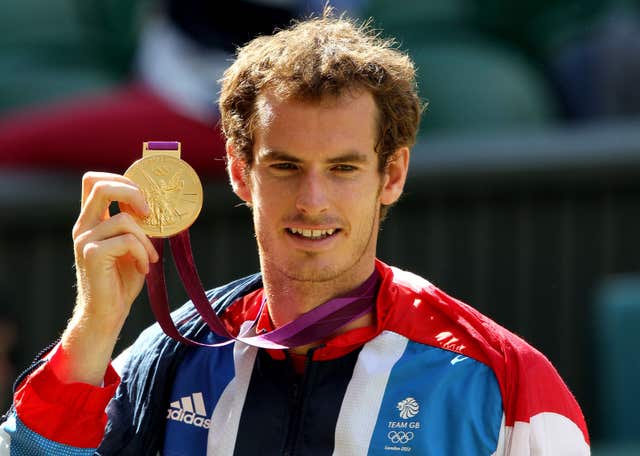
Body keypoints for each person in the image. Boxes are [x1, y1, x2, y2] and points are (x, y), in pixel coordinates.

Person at [0, 9, 589, 455]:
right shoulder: (169, 359)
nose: (313, 200)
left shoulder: (504, 381)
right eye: (285, 166)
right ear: (238, 172)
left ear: (393, 175)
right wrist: (94, 326)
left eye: (343, 168)